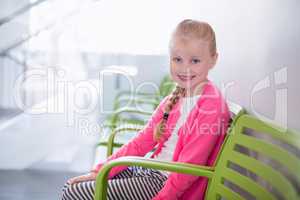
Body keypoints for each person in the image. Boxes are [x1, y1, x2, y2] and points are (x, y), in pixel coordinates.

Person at [60, 19, 230, 200]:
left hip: (163, 183)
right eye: (177, 59)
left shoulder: (212, 106)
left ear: (213, 59)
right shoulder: (175, 98)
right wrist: (99, 172)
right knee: (75, 186)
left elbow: (189, 170)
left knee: (74, 193)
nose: (185, 68)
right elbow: (142, 141)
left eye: (195, 60)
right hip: (147, 171)